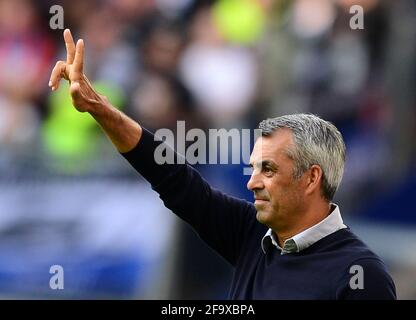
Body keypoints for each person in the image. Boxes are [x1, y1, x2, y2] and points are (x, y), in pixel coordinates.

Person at [49, 29, 396, 299]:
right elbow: (173, 177)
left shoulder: (361, 275)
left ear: (311, 178)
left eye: (268, 169)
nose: (252, 182)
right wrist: (101, 110)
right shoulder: (252, 235)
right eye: (254, 168)